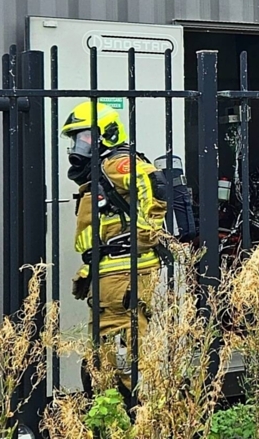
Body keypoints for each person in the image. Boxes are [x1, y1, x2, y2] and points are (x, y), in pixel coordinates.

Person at [61, 101, 168, 405]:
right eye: (75, 140)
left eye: (83, 138)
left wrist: (145, 234)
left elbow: (153, 183)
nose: (76, 148)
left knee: (122, 356)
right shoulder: (102, 171)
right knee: (105, 356)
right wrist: (90, 268)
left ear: (106, 134)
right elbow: (105, 230)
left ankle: (135, 414)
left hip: (123, 276)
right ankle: (116, 415)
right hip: (112, 275)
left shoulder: (115, 164)